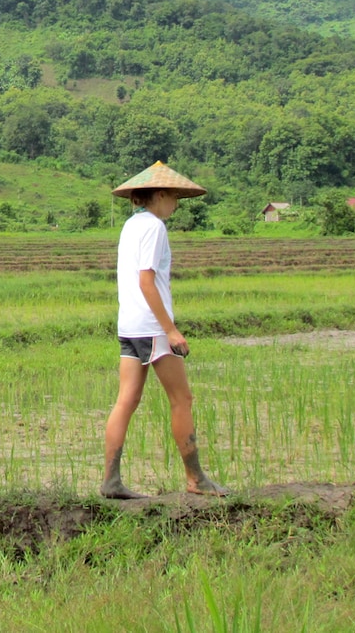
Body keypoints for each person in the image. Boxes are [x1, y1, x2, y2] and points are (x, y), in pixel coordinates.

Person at [100, 162, 230, 500]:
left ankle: (111, 481)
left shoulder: (131, 225)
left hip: (129, 324)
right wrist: (170, 330)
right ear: (159, 195)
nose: (176, 204)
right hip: (152, 326)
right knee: (182, 398)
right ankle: (196, 478)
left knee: (126, 400)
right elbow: (147, 281)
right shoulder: (155, 227)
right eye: (174, 197)